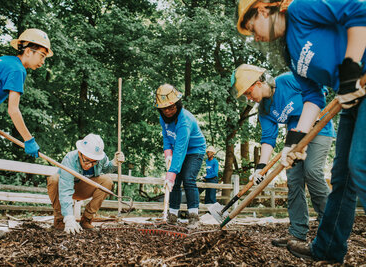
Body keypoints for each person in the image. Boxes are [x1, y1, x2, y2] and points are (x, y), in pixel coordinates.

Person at [237, 0, 366, 263]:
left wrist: (351, 64)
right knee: (343, 177)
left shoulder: (299, 9)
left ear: (262, 10)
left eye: (252, 27)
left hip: (362, 81)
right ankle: (328, 248)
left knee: (360, 165)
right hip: (350, 99)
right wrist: (294, 142)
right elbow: (313, 96)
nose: (255, 36)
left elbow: (359, 9)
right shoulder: (290, 53)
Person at [0, 28, 53, 245]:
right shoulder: (17, 70)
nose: (43, 62)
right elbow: (13, 110)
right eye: (42, 55)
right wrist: (28, 140)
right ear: (29, 51)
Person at [232, 64, 334, 246]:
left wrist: (315, 112)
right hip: (294, 135)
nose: (248, 98)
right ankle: (297, 233)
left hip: (319, 128)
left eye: (247, 92)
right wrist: (260, 168)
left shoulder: (287, 80)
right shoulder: (264, 109)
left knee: (312, 172)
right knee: (294, 180)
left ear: (258, 83)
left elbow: (320, 87)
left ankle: (331, 229)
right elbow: (268, 139)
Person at [47, 133, 125, 234]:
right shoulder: (70, 159)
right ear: (80, 153)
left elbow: (107, 168)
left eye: (94, 162)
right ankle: (60, 220)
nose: (89, 165)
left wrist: (114, 162)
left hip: (84, 189)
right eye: (87, 161)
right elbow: (65, 190)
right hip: (65, 188)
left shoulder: (100, 158)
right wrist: (69, 218)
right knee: (54, 179)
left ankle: (86, 219)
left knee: (107, 181)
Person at [155, 84, 206, 229]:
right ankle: (172, 217)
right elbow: (166, 137)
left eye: (171, 107)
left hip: (194, 150)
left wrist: (171, 173)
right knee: (175, 184)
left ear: (178, 104)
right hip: (177, 149)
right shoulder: (163, 118)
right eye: (164, 108)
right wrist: (167, 153)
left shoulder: (185, 121)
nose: (168, 111)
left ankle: (194, 217)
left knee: (188, 178)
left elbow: (181, 149)